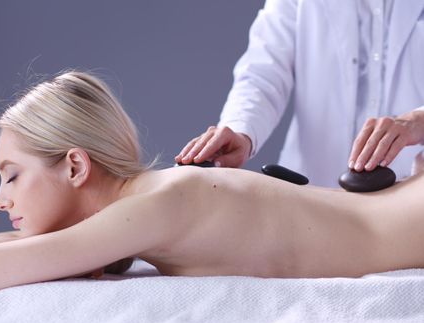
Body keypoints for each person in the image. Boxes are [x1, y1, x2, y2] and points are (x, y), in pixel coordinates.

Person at [0, 70, 424, 301]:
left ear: (75, 166)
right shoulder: (155, 200)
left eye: (12, 176)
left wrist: (412, 122)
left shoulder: (152, 207)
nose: (0, 201)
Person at [175, 0, 424, 187]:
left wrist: (418, 120)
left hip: (409, 192)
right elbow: (263, 72)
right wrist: (241, 130)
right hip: (310, 190)